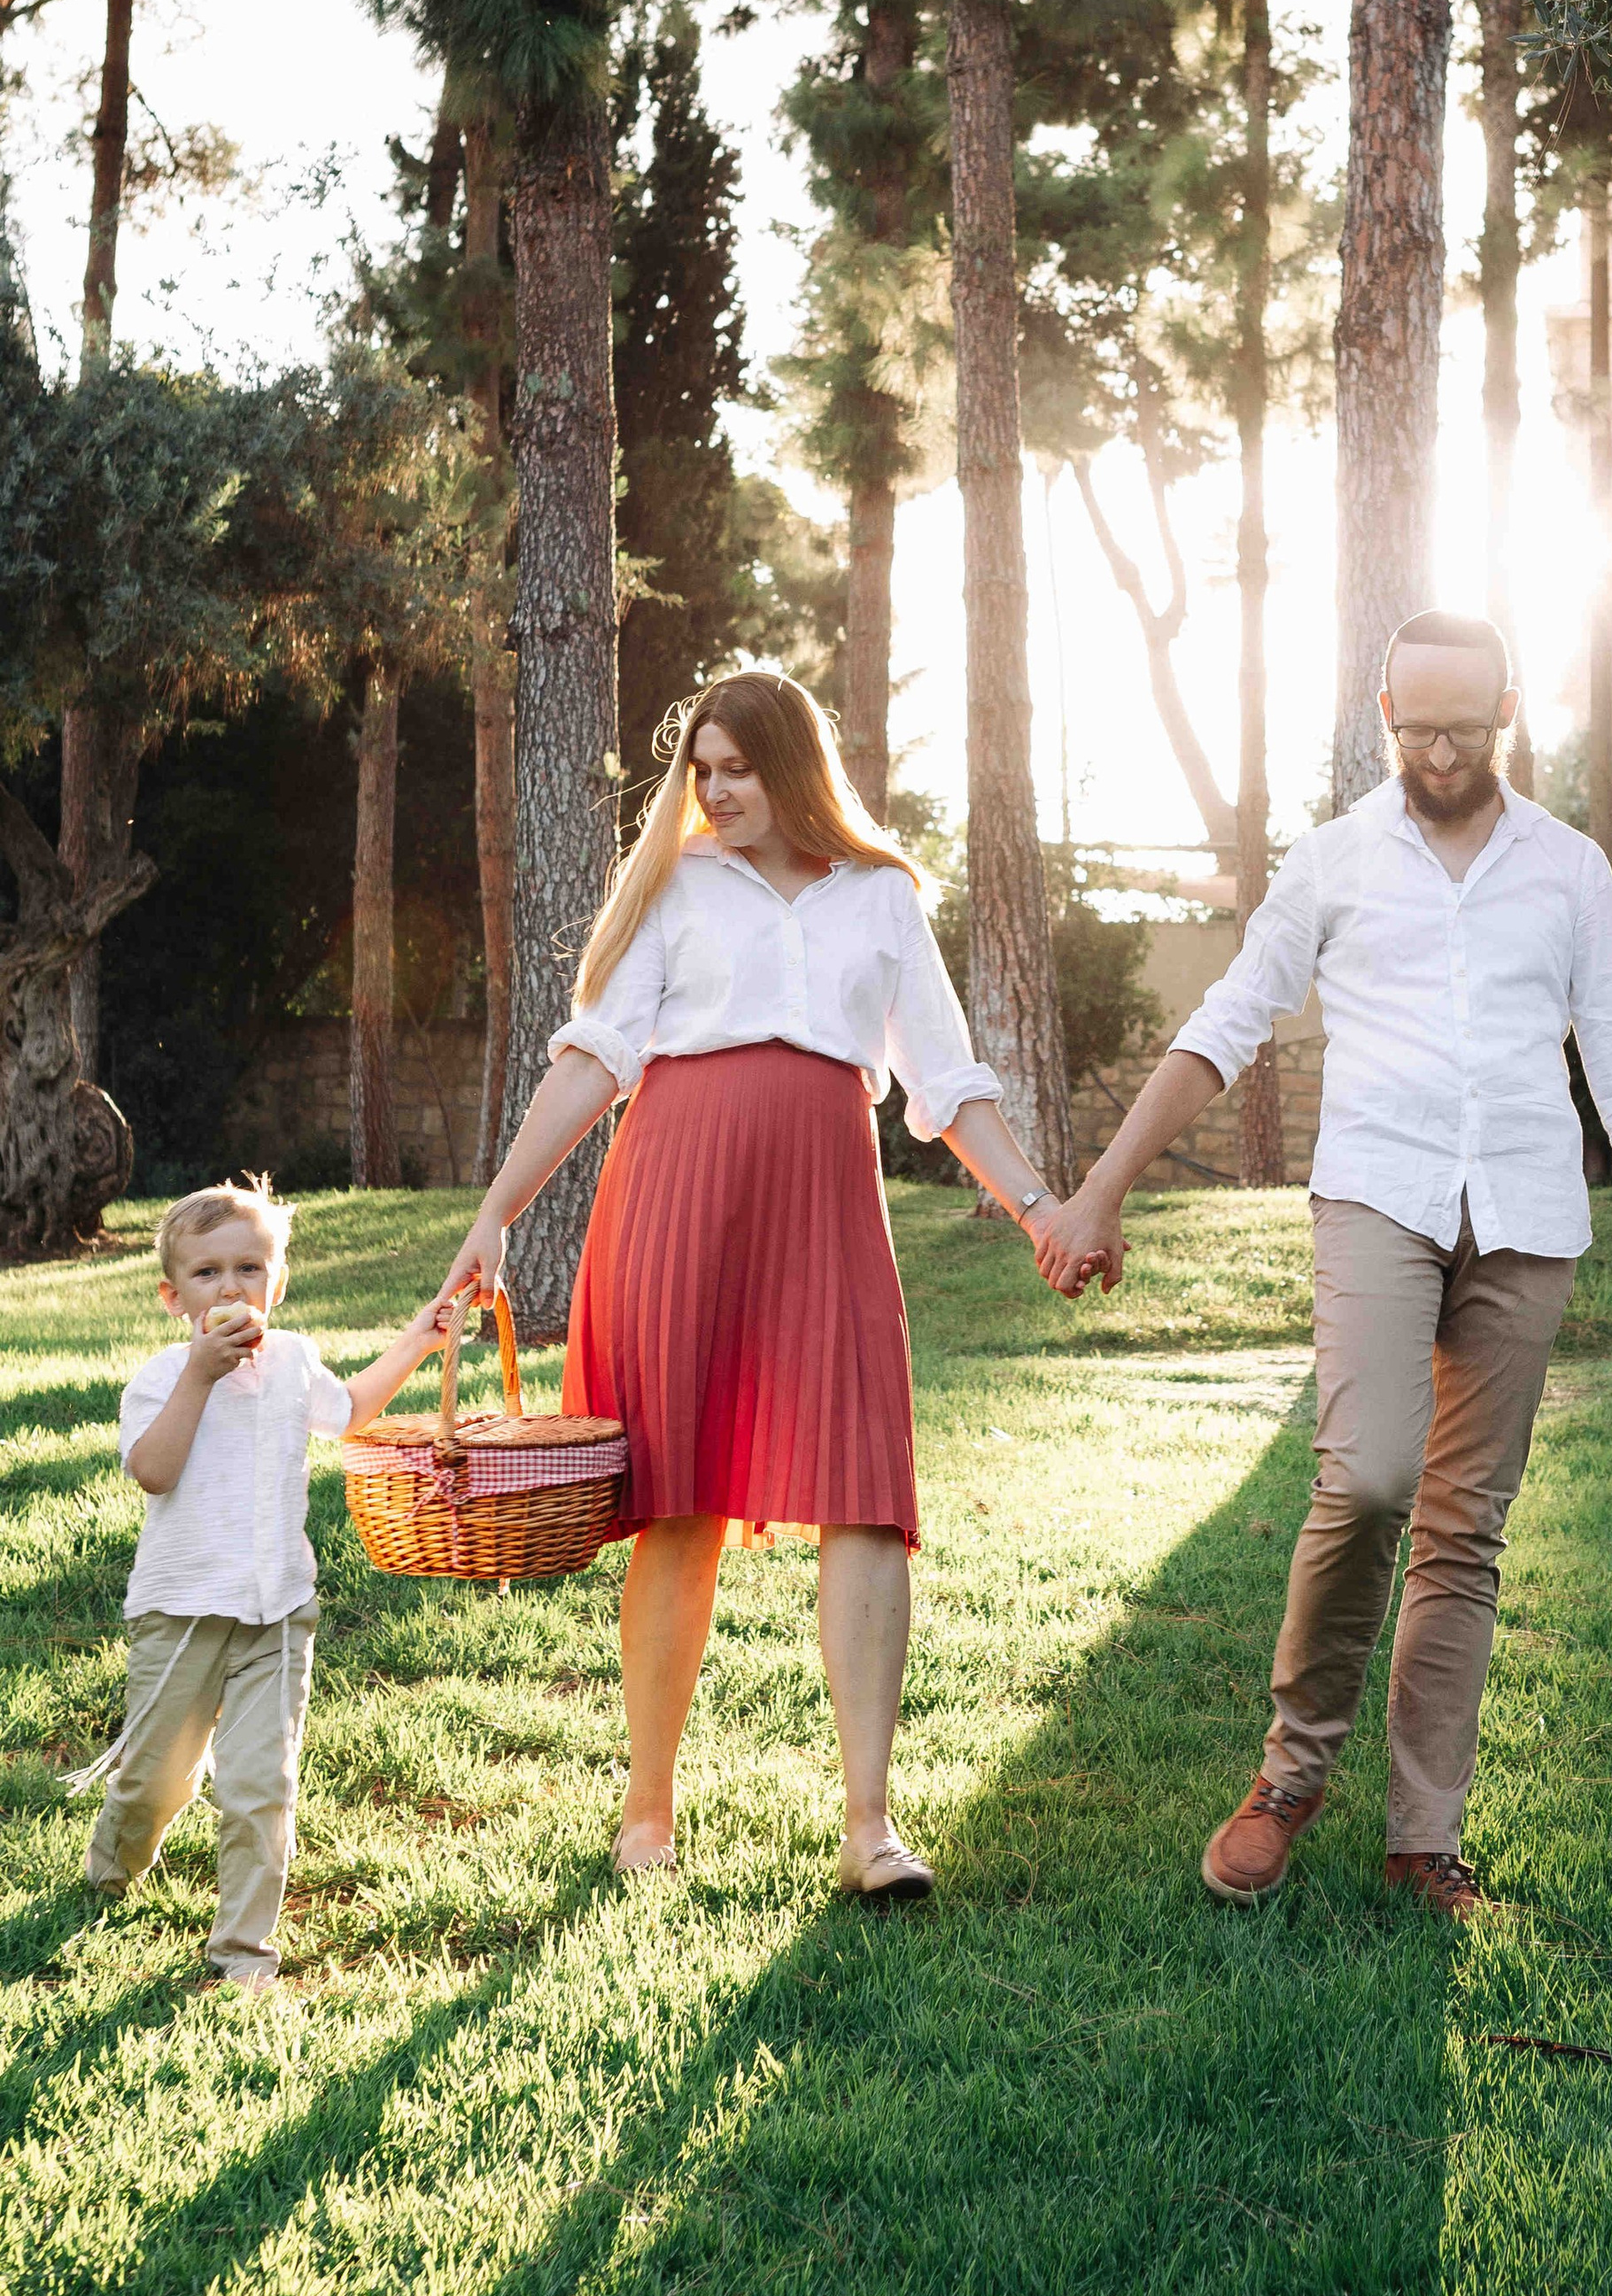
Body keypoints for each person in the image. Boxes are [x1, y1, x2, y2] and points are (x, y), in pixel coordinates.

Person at [1034, 609, 1612, 1919]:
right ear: (1385, 713)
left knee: (1464, 1530)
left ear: (1507, 714)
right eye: (1418, 731)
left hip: (1525, 1212)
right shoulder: (1334, 861)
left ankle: (1423, 1838)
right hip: (1378, 1197)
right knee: (1367, 1478)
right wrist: (1102, 1189)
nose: (1440, 755)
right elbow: (1227, 1022)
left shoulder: (1569, 870)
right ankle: (1289, 1779)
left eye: (1464, 730)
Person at [450, 668, 1068, 1905]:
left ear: (792, 767)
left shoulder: (881, 893)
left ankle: (870, 1826)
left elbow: (948, 1085)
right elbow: (594, 1060)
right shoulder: (675, 884)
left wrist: (1041, 1210)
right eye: (702, 770)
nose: (716, 790)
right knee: (678, 1505)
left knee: (865, 1496)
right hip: (675, 1193)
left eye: (737, 768)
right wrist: (495, 1213)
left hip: (825, 1205)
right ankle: (648, 1807)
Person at [76, 1179, 461, 1990]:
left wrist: (417, 1342)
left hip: (279, 1612)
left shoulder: (291, 1362)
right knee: (156, 1779)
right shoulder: (161, 1377)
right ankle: (111, 1867)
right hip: (181, 1614)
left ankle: (243, 1953)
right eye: (207, 1273)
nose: (230, 1288)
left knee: (261, 1785)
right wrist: (199, 1377)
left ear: (275, 1285)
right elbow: (153, 1471)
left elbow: (350, 1410)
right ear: (174, 1298)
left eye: (248, 1269)